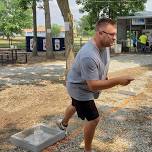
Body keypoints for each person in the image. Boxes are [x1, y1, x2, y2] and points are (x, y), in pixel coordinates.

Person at [56, 18, 134, 152]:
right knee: (93, 119)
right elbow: (92, 86)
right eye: (112, 35)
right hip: (79, 88)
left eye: (115, 34)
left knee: (75, 105)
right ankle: (88, 149)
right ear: (100, 33)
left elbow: (101, 67)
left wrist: (104, 77)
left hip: (81, 84)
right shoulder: (89, 55)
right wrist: (118, 81)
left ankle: (63, 123)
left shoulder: (105, 45)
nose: (115, 38)